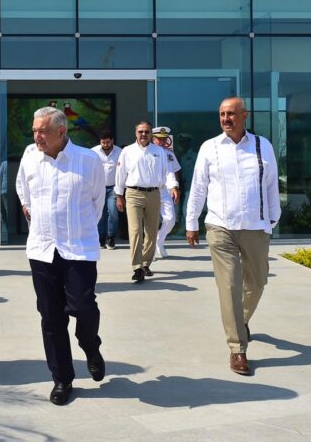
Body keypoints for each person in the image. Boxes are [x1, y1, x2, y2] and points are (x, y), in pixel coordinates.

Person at [15, 106, 106, 406]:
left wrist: (76, 230)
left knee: (83, 307)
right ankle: (62, 379)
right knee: (51, 318)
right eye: (34, 131)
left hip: (78, 248)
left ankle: (90, 346)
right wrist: (31, 212)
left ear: (61, 132)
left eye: (42, 131)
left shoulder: (88, 160)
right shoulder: (30, 158)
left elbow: (96, 203)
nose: (37, 136)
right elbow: (22, 189)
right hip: (41, 250)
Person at [185, 97, 281, 376]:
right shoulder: (209, 148)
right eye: (222, 114)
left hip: (255, 225)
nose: (226, 119)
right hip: (220, 226)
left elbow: (272, 183)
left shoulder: (263, 146)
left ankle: (241, 319)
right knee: (229, 286)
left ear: (244, 116)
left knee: (258, 282)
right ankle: (238, 348)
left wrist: (274, 217)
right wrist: (191, 222)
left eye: (232, 114)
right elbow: (198, 187)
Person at [114, 120, 178, 282]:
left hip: (154, 194)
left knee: (151, 231)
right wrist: (119, 195)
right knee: (135, 231)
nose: (144, 134)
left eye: (147, 132)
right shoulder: (127, 151)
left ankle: (145, 263)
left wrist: (173, 186)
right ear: (136, 133)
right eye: (141, 131)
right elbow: (120, 174)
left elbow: (168, 171)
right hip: (133, 194)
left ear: (151, 134)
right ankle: (137, 267)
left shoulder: (160, 151)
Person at [151, 126, 181, 259]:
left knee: (170, 219)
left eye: (164, 139)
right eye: (159, 139)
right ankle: (148, 249)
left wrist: (175, 187)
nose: (162, 142)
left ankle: (159, 241)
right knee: (149, 221)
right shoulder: (147, 151)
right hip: (150, 190)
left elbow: (174, 171)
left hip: (165, 190)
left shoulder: (169, 153)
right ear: (153, 139)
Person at [90, 130, 122, 250]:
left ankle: (111, 237)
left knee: (113, 213)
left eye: (108, 142)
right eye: (103, 142)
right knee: (100, 214)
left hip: (114, 187)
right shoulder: (93, 151)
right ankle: (100, 238)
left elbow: (123, 171)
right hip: (98, 187)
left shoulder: (120, 152)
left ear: (112, 141)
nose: (105, 145)